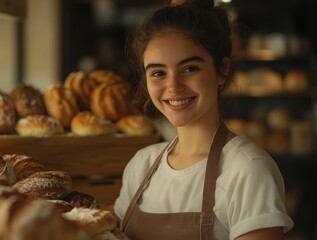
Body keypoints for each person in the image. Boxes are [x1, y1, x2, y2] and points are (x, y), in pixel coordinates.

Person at [114, 0, 294, 239]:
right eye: (158, 73)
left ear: (222, 71)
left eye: (190, 69)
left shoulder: (248, 170)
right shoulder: (141, 166)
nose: (174, 86)